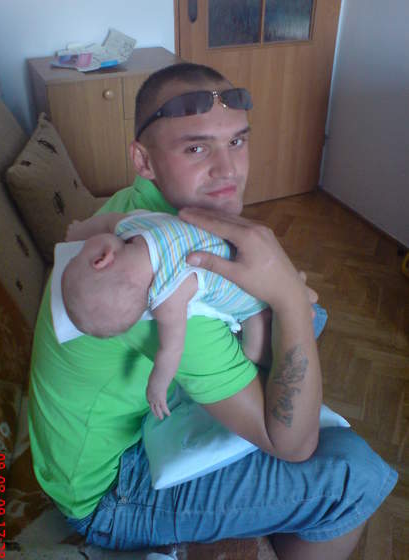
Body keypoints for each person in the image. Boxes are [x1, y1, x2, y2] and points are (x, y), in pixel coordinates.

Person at [28, 62, 397, 559]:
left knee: (308, 324)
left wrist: (285, 304)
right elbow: (293, 444)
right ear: (143, 160)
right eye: (197, 148)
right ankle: (297, 515)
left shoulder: (136, 212)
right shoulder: (156, 286)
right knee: (353, 475)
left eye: (237, 141)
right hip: (105, 491)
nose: (229, 170)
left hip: (112, 419)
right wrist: (287, 296)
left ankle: (281, 511)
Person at [61, 209, 272, 419]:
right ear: (102, 257)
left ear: (101, 259)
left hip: (253, 302)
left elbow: (171, 350)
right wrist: (80, 230)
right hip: (252, 253)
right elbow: (106, 221)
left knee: (253, 353)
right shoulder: (134, 226)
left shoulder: (168, 297)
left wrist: (157, 386)